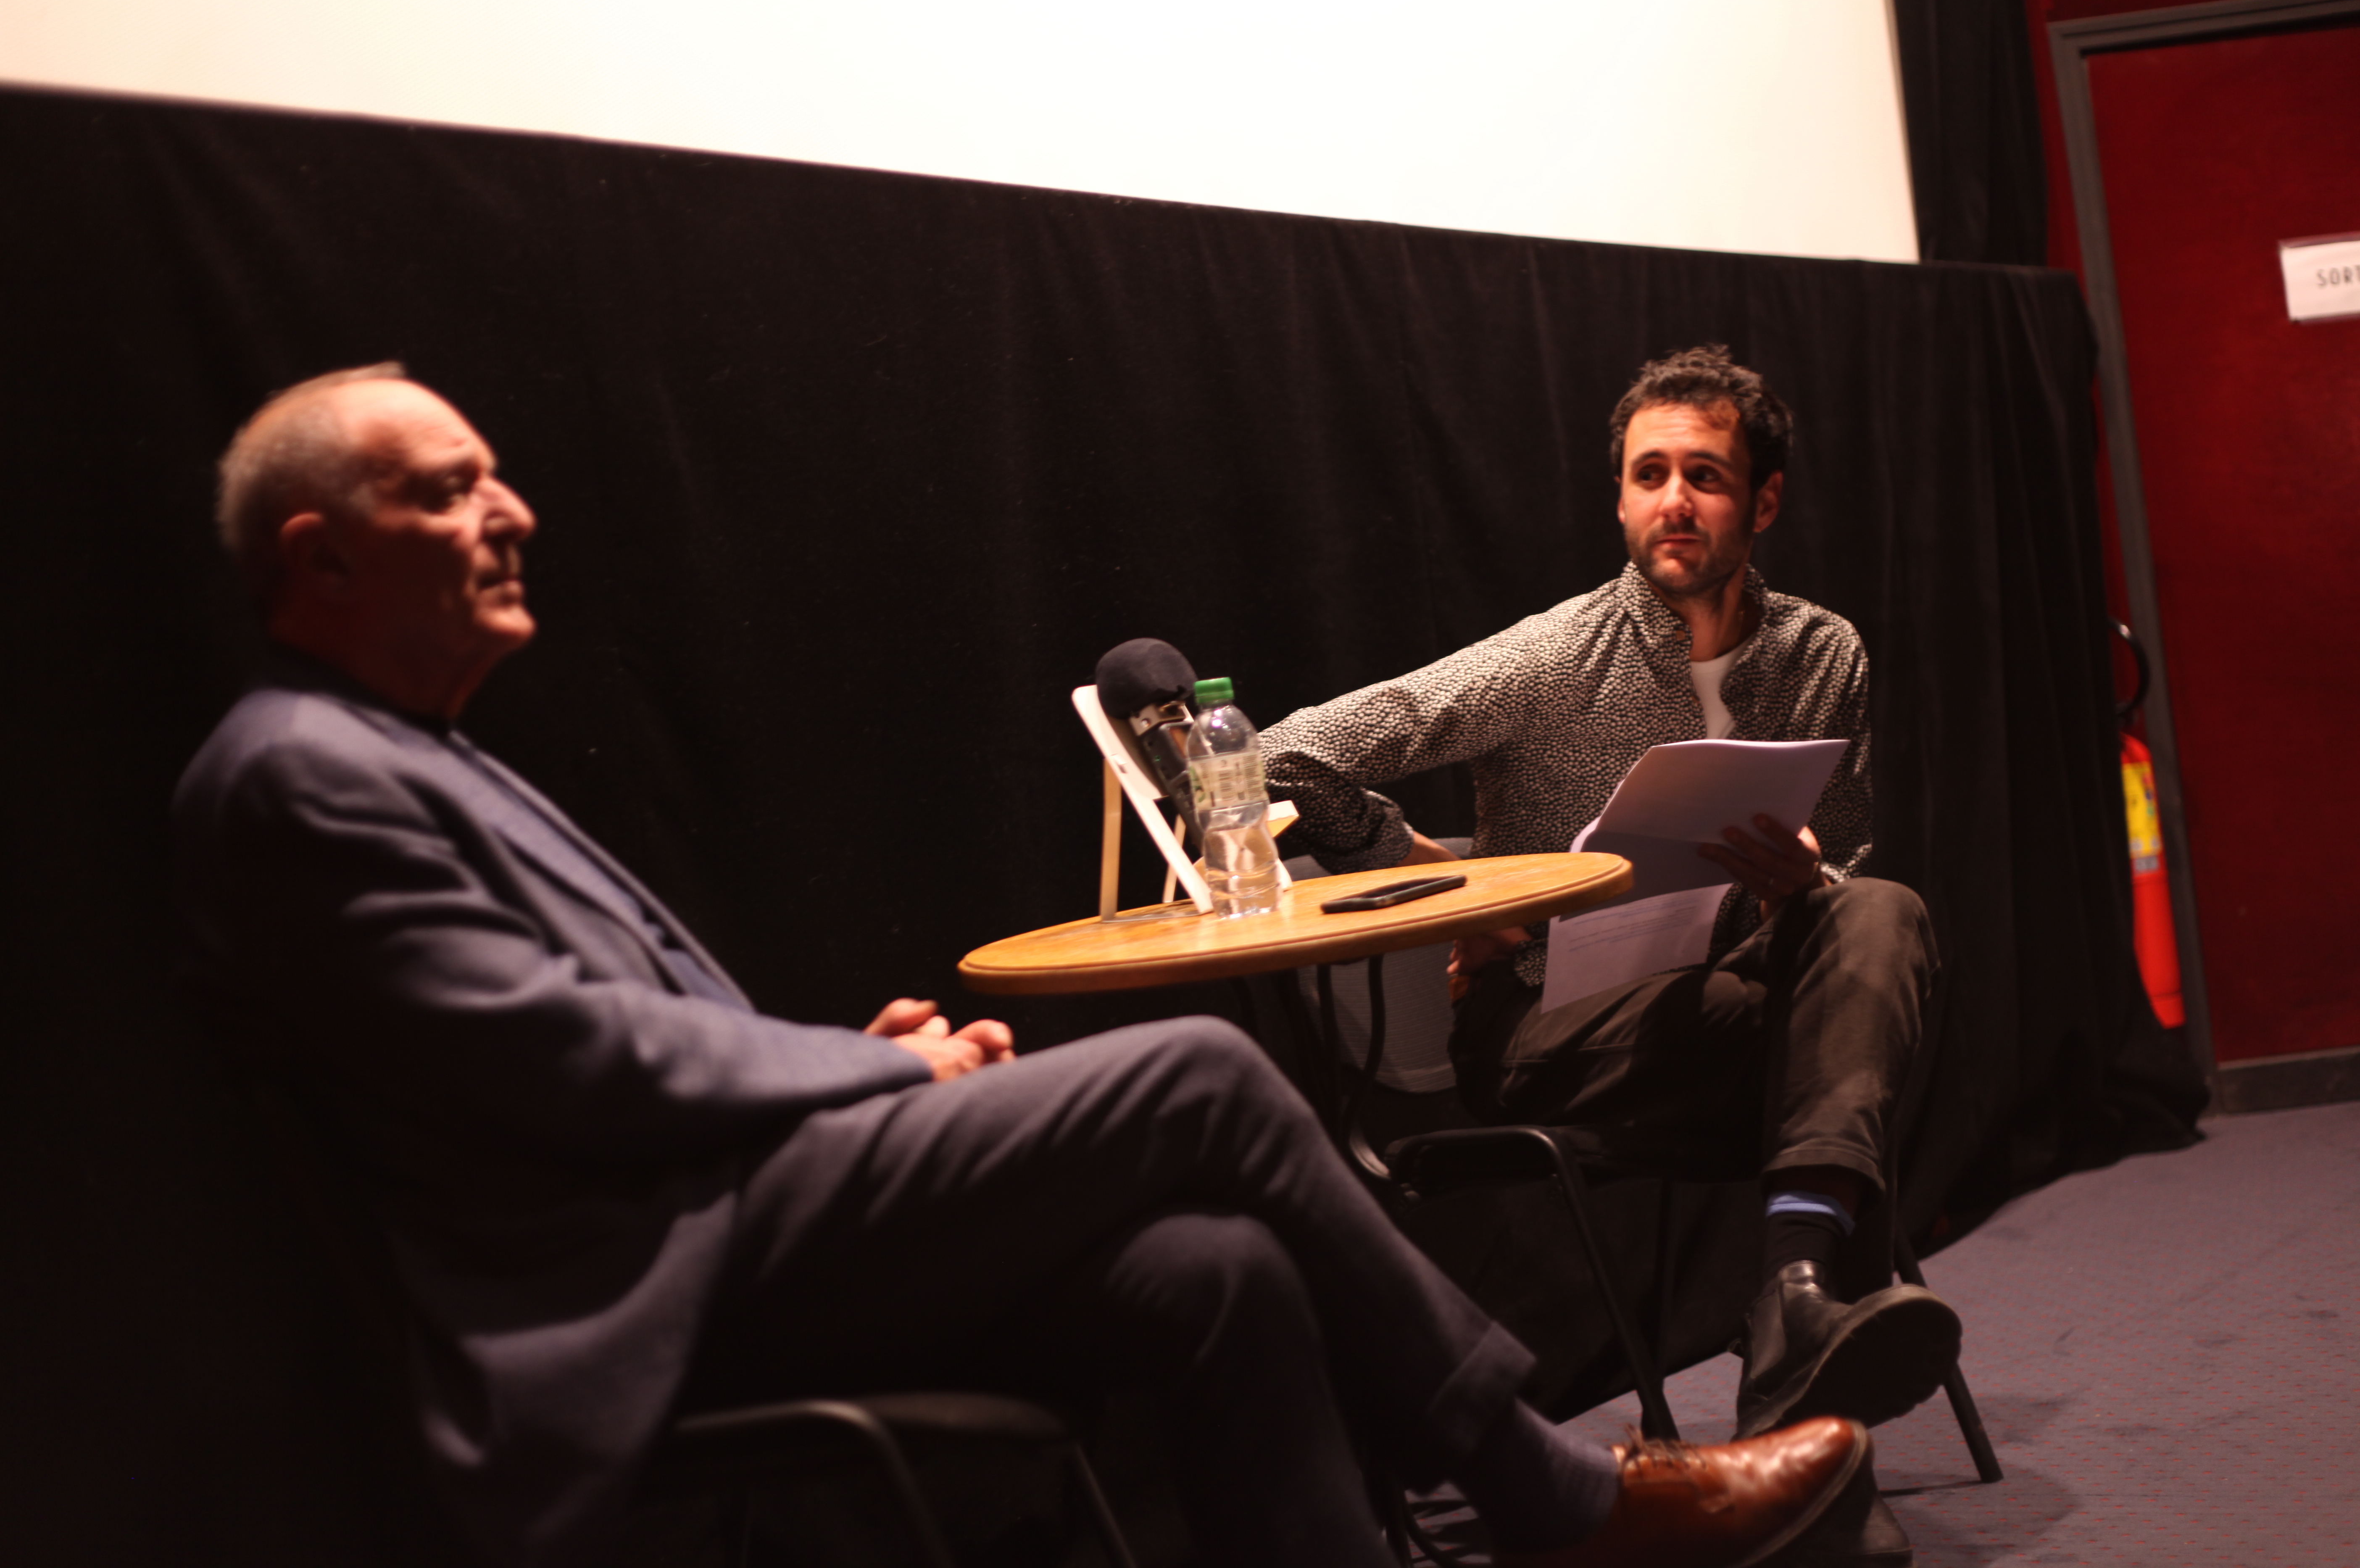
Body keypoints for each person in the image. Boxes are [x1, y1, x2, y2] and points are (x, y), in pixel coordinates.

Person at [172, 364, 1868, 1568]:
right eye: (449, 489)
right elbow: (560, 1066)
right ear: (321, 556)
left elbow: (576, 1038)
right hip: (642, 1282)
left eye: (494, 475)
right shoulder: (299, 775)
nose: (512, 510)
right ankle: (1550, 1497)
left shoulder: (409, 754)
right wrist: (870, 1075)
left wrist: (842, 1061)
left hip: (733, 1209)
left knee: (1214, 1266)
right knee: (1196, 1073)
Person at [1261, 346, 1961, 1565]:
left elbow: (1840, 875)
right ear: (1621, 498)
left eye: (1707, 475)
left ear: (1765, 501)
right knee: (1842, 1047)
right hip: (1545, 1024)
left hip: (1735, 1004)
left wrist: (1801, 886)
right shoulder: (1552, 658)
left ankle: (1792, 1303)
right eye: (1649, 475)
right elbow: (1286, 753)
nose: (1674, 501)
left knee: (1880, 915)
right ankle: (1800, 1371)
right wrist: (1453, 887)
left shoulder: (1822, 655)